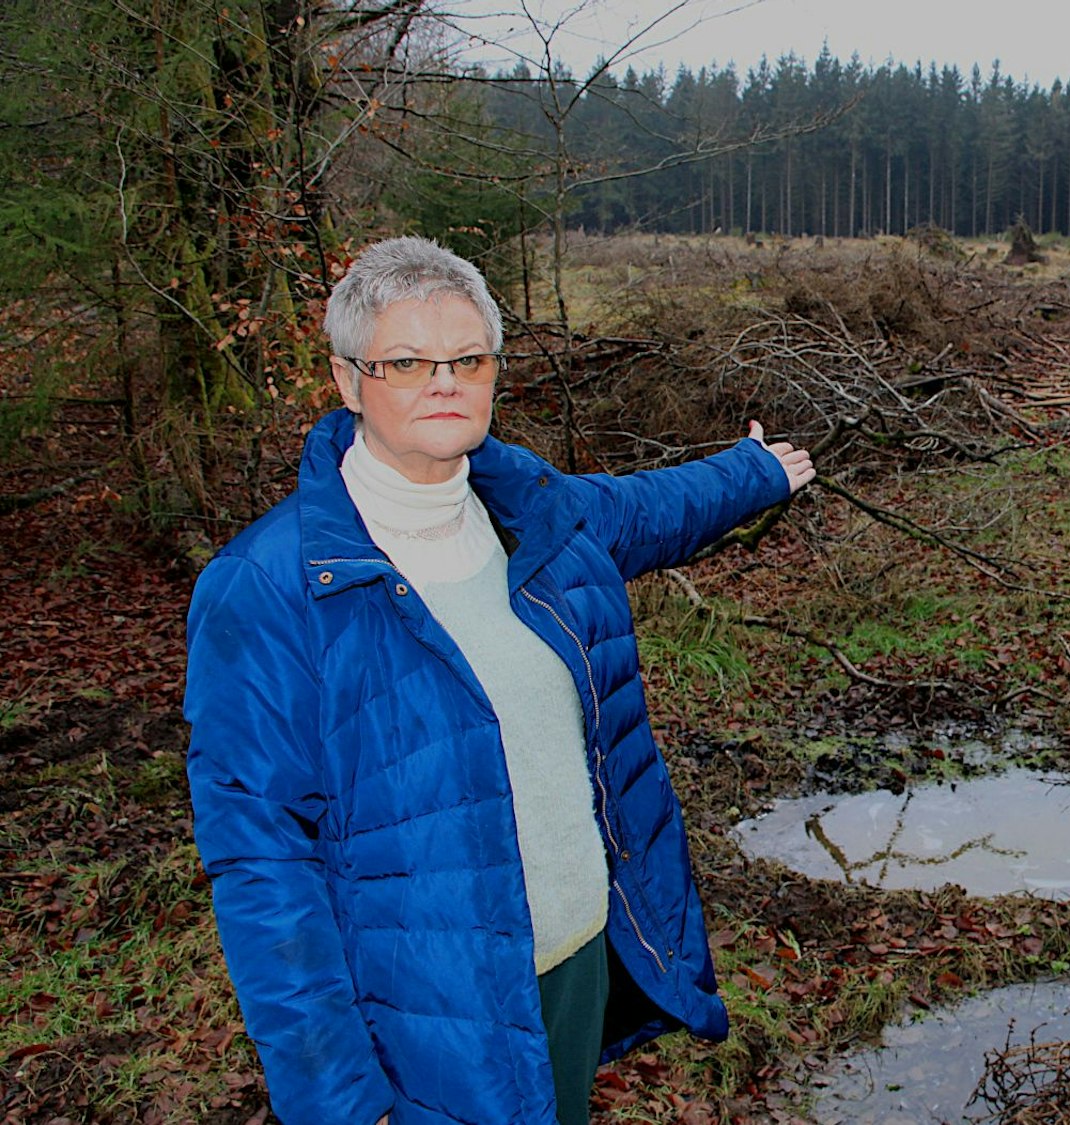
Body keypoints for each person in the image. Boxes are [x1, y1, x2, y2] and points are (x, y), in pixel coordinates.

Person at [182, 236, 814, 1124]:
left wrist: (755, 473)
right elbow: (262, 864)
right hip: (426, 1022)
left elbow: (651, 507)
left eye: (467, 359)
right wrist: (339, 1100)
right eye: (407, 362)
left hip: (574, 962)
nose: (443, 383)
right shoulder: (269, 587)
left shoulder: (537, 518)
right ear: (347, 379)